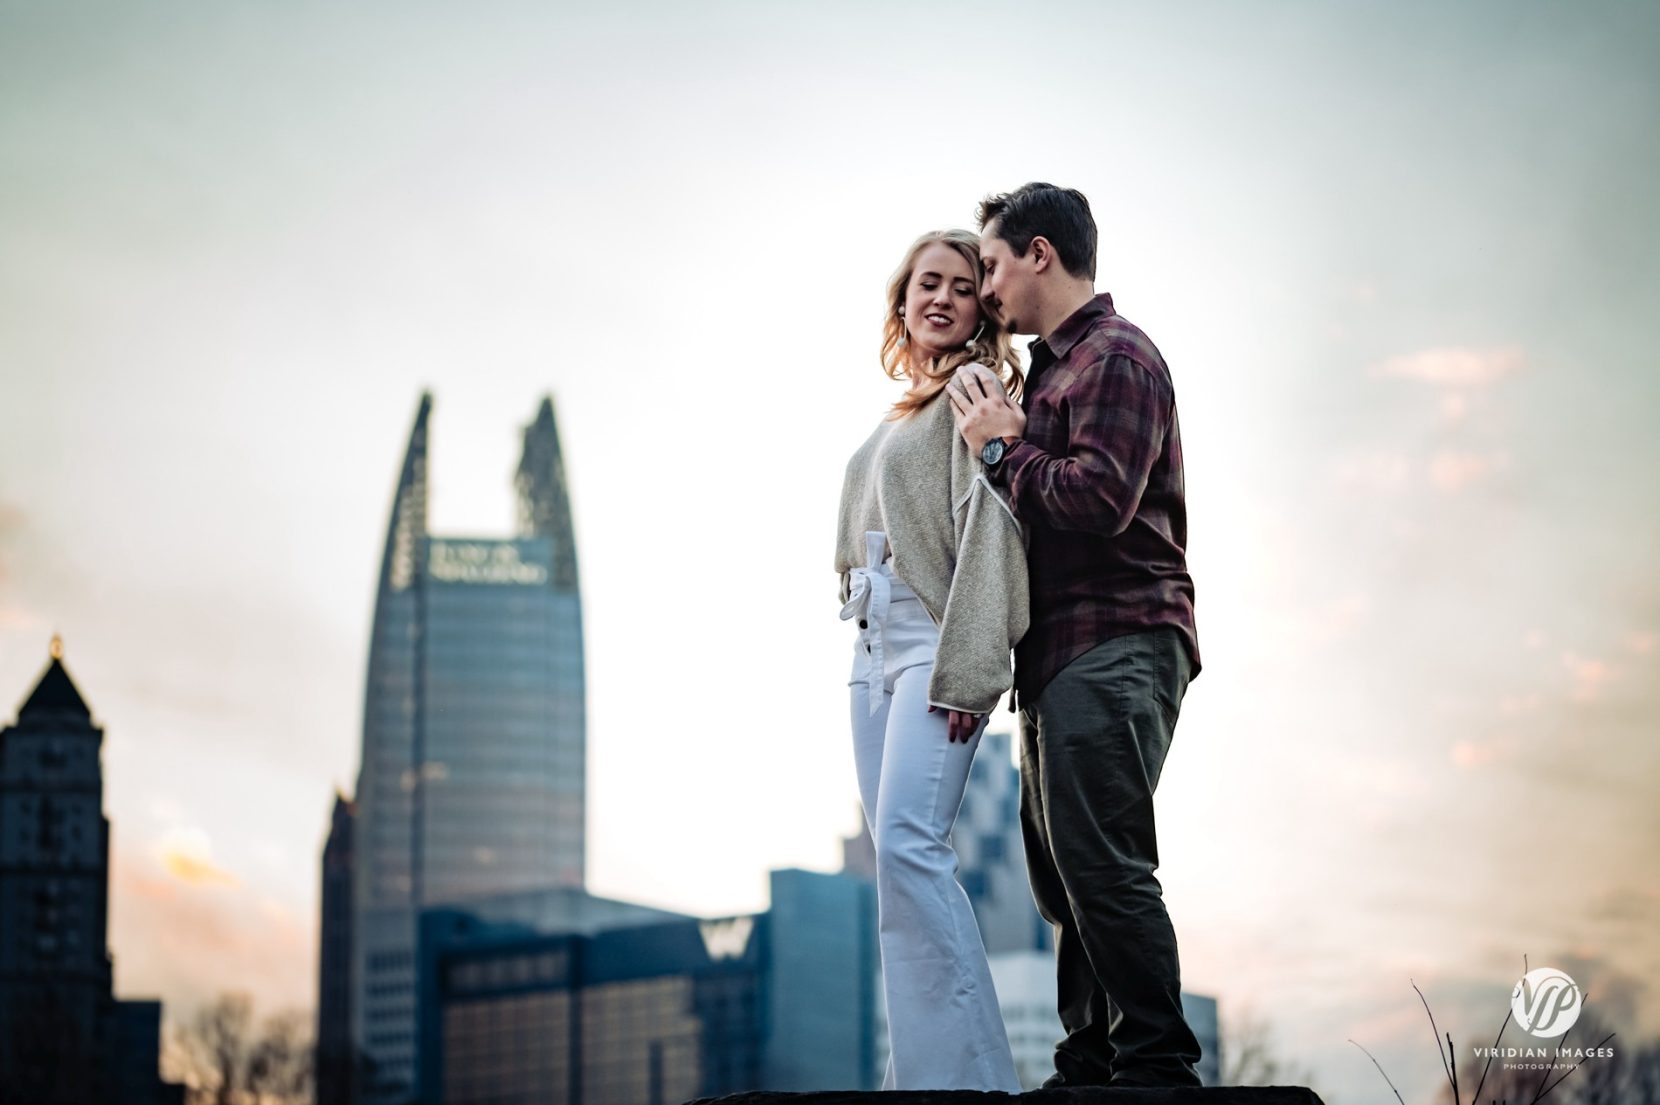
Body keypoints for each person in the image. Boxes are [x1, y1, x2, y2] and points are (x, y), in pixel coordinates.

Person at [946, 183, 1206, 1089]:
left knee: (1104, 858)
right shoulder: (1054, 370)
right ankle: (1088, 1063)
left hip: (1121, 635)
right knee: (1064, 874)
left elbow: (1098, 500)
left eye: (990, 264)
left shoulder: (1116, 359)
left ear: (1040, 254)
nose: (984, 286)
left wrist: (998, 450)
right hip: (1059, 654)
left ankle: (1158, 1065)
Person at [833, 228, 1029, 1091]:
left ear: (979, 307)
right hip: (872, 646)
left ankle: (977, 1079)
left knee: (914, 846)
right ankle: (920, 1073)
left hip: (933, 643)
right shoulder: (904, 407)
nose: (941, 297)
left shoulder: (973, 387)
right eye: (926, 284)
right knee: (896, 866)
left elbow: (992, 524)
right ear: (902, 301)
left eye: (960, 285)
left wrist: (972, 661)